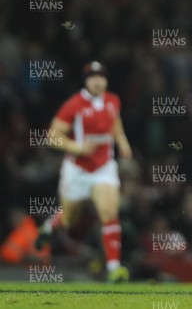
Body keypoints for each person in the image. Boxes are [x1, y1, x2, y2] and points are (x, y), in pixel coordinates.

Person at [35, 61, 133, 282]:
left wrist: (123, 142)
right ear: (86, 80)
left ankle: (114, 267)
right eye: (92, 77)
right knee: (70, 220)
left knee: (109, 212)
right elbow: (52, 136)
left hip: (104, 167)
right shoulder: (74, 105)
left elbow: (115, 124)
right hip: (78, 170)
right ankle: (51, 224)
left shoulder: (112, 100)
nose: (97, 81)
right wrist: (77, 147)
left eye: (101, 76)